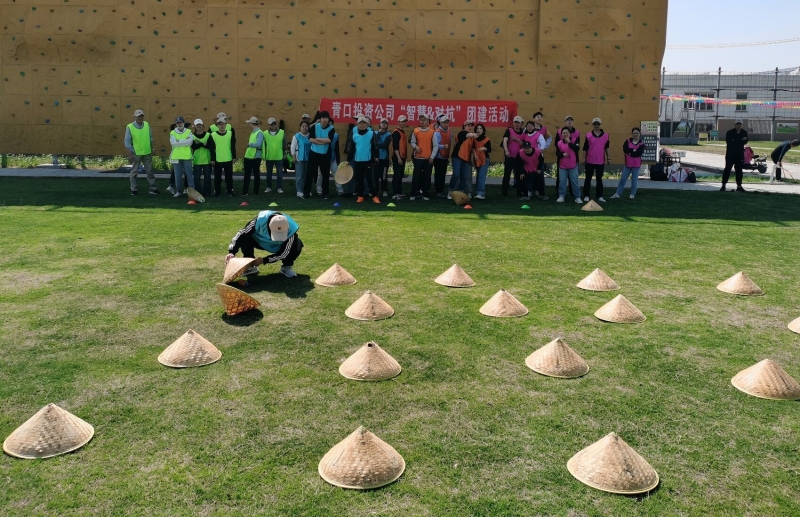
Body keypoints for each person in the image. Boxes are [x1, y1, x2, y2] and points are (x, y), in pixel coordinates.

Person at [226, 210, 303, 278]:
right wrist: (232, 252)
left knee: (297, 244)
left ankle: (286, 267)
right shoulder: (258, 221)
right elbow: (241, 234)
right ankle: (250, 266)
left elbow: (284, 253)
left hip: (278, 246)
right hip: (259, 241)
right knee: (245, 237)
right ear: (269, 226)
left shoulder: (292, 230)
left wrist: (263, 260)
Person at [346, 115, 380, 204]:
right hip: (358, 161)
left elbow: (375, 145)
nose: (362, 125)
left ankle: (375, 196)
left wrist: (376, 156)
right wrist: (348, 159)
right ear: (357, 124)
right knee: (359, 180)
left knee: (371, 180)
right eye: (360, 123)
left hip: (368, 161)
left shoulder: (371, 133)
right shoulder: (355, 136)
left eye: (364, 123)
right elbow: (351, 148)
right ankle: (360, 196)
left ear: (367, 124)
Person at [124, 109, 158, 196]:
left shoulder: (146, 124)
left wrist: (152, 148)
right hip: (136, 153)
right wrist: (129, 153)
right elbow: (127, 141)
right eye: (138, 116)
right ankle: (133, 189)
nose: (140, 118)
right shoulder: (130, 127)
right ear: (134, 117)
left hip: (147, 152)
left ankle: (153, 188)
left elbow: (151, 138)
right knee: (134, 172)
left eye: (141, 116)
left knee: (150, 171)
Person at [304, 110, 335, 199]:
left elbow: (329, 140)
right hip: (314, 153)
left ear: (328, 119)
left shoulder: (331, 128)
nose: (325, 120)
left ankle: (325, 193)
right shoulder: (315, 126)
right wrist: (322, 142)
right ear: (320, 119)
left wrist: (317, 139)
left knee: (325, 175)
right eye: (323, 118)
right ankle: (306, 193)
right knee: (309, 173)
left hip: (325, 154)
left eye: (326, 118)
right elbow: (310, 139)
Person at [612, 127, 646, 200]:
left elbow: (638, 153)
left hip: (636, 165)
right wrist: (633, 150)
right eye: (634, 133)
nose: (635, 134)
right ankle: (618, 193)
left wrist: (631, 152)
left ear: (640, 134)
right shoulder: (627, 141)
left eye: (637, 133)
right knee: (623, 179)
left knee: (634, 181)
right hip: (627, 164)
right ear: (632, 134)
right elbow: (625, 150)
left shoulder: (642, 144)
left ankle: (632, 194)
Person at [583, 117, 610, 202]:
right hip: (590, 160)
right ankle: (586, 195)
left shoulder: (606, 135)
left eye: (598, 124)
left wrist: (609, 157)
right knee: (588, 179)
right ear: (592, 125)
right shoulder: (588, 135)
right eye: (595, 124)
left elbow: (607, 147)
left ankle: (599, 196)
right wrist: (583, 158)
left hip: (600, 161)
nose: (596, 125)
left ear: (600, 124)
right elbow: (585, 148)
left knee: (599, 179)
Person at [410, 113, 436, 200]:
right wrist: (415, 147)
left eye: (424, 120)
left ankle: (425, 193)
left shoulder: (432, 132)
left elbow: (435, 146)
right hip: (418, 158)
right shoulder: (416, 131)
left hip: (428, 158)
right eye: (421, 120)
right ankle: (413, 193)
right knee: (416, 177)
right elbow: (412, 142)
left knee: (427, 177)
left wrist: (432, 157)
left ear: (427, 121)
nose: (422, 121)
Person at [450, 120, 478, 196]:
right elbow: (467, 135)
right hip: (457, 156)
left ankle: (461, 192)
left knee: (464, 176)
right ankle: (451, 190)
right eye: (468, 125)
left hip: (466, 158)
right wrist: (474, 134)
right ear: (464, 126)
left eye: (471, 125)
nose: (470, 127)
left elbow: (473, 147)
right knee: (456, 174)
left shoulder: (472, 138)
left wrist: (475, 155)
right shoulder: (462, 133)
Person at [169, 116, 195, 197]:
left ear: (184, 122)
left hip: (187, 156)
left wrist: (178, 141)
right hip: (176, 156)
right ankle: (179, 191)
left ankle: (191, 190)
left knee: (189, 174)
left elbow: (190, 142)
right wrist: (184, 141)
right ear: (176, 124)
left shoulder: (189, 131)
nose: (179, 124)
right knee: (177, 175)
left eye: (180, 122)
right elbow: (173, 143)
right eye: (178, 123)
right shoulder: (173, 132)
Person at [210, 116, 236, 197]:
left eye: (223, 124)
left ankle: (230, 191)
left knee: (229, 177)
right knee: (217, 177)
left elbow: (232, 146)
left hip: (228, 158)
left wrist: (234, 157)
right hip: (218, 159)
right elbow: (211, 148)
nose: (221, 126)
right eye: (220, 124)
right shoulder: (213, 135)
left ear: (226, 125)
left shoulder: (230, 133)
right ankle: (217, 192)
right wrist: (212, 159)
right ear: (217, 125)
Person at [555, 128, 582, 204]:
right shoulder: (559, 143)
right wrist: (562, 154)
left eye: (566, 133)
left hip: (573, 165)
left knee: (574, 181)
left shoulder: (575, 140)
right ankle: (561, 196)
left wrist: (569, 142)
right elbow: (557, 153)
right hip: (563, 166)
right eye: (563, 133)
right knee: (562, 181)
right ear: (561, 134)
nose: (565, 134)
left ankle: (577, 197)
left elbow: (576, 148)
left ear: (569, 134)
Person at [501, 116, 526, 196]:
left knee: (519, 174)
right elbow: (505, 140)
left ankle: (519, 192)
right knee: (507, 174)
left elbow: (524, 145)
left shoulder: (523, 133)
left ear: (521, 124)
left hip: (519, 157)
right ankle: (504, 192)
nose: (516, 124)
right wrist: (506, 150)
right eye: (515, 122)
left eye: (518, 123)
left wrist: (517, 140)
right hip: (509, 156)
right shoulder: (509, 130)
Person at [722, 119, 748, 192]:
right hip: (730, 154)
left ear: (742, 125)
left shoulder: (744, 132)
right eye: (737, 124)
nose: (738, 126)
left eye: (740, 124)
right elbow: (729, 142)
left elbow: (745, 141)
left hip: (739, 155)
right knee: (727, 169)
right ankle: (723, 185)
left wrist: (735, 140)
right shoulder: (729, 132)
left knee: (739, 170)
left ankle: (739, 186)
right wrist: (740, 140)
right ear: (734, 125)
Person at [242, 117, 264, 196]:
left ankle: (256, 191)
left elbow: (259, 144)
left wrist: (250, 144)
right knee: (247, 175)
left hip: (256, 156)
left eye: (249, 123)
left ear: (252, 124)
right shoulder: (254, 132)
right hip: (249, 155)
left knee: (256, 174)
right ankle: (245, 191)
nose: (249, 125)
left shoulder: (259, 133)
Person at [191, 119, 213, 197]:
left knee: (207, 178)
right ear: (194, 126)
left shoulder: (208, 135)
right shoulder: (192, 136)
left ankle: (207, 192)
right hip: (197, 160)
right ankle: (198, 192)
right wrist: (202, 144)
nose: (199, 126)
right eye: (197, 125)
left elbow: (210, 146)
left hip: (207, 160)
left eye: (200, 125)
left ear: (203, 126)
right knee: (196, 178)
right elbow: (193, 146)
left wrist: (199, 144)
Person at [263, 118, 285, 194]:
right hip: (269, 157)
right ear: (268, 125)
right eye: (271, 124)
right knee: (268, 174)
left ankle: (279, 187)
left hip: (279, 156)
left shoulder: (282, 132)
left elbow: (284, 144)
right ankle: (269, 187)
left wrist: (284, 153)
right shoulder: (265, 133)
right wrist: (264, 155)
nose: (273, 125)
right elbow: (264, 145)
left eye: (274, 123)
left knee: (280, 174)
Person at [433, 115, 453, 198]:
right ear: (440, 123)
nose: (446, 124)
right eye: (444, 122)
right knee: (439, 174)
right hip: (438, 157)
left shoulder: (449, 131)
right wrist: (442, 146)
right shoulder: (437, 132)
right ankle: (438, 190)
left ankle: (441, 189)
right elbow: (435, 145)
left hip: (445, 156)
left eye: (447, 122)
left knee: (443, 174)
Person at [291, 120, 311, 197]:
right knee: (299, 176)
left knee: (307, 176)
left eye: (306, 126)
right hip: (299, 159)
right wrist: (293, 157)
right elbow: (292, 147)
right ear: (300, 127)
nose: (304, 128)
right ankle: (299, 190)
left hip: (309, 159)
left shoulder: (311, 135)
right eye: (303, 126)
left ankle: (306, 190)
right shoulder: (296, 136)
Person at [391, 115, 409, 199]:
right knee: (397, 175)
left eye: (405, 121)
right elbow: (395, 147)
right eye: (402, 121)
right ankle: (395, 193)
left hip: (402, 157)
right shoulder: (396, 132)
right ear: (398, 122)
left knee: (400, 175)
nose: (404, 123)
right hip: (398, 157)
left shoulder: (402, 131)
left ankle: (399, 192)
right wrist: (398, 158)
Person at [374, 118, 392, 197]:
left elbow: (385, 145)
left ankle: (385, 190)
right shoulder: (375, 133)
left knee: (384, 176)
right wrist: (376, 145)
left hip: (384, 158)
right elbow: (373, 143)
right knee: (376, 176)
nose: (384, 125)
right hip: (376, 158)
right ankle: (376, 191)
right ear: (379, 124)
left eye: (385, 123)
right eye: (382, 123)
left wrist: (377, 145)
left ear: (387, 125)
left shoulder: (388, 134)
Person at [472, 123, 491, 200]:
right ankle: (478, 193)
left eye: (480, 128)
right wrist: (475, 155)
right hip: (477, 159)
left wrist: (484, 148)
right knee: (478, 175)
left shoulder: (487, 140)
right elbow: (473, 148)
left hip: (485, 159)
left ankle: (481, 193)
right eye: (477, 128)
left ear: (483, 130)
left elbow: (489, 150)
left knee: (481, 176)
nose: (479, 130)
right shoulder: (474, 139)